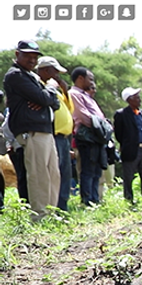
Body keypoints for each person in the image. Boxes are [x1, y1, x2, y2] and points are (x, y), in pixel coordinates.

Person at [3, 40, 61, 219]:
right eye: (27, 55)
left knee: (53, 174)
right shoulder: (15, 75)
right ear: (17, 54)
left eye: (35, 56)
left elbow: (55, 103)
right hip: (31, 131)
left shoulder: (31, 77)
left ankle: (50, 213)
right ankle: (40, 215)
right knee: (39, 174)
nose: (32, 59)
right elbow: (44, 99)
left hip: (45, 130)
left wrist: (46, 97)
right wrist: (49, 91)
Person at [36, 56, 74, 211]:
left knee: (65, 174)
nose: (57, 76)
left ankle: (62, 208)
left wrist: (64, 90)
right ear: (45, 70)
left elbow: (70, 109)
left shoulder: (55, 90)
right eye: (55, 71)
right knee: (54, 174)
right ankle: (53, 208)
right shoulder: (40, 87)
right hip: (53, 136)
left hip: (64, 138)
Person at [70, 67, 108, 206]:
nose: (92, 82)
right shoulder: (74, 94)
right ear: (80, 78)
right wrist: (100, 125)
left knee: (97, 170)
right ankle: (87, 201)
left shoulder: (85, 95)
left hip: (96, 136)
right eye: (89, 79)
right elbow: (83, 116)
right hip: (87, 136)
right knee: (88, 170)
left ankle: (95, 199)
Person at [114, 87, 142, 206]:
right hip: (131, 151)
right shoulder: (121, 114)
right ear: (130, 99)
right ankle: (129, 201)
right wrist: (127, 144)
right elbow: (119, 134)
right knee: (128, 177)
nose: (139, 100)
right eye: (137, 97)